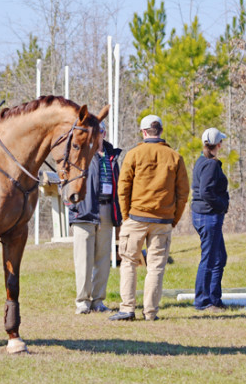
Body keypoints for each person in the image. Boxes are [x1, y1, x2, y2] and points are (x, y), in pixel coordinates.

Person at [109, 115, 189, 321]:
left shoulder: (134, 154)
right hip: (162, 221)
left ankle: (127, 308)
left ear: (144, 132)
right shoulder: (175, 157)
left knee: (128, 263)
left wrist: (126, 215)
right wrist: (173, 219)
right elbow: (183, 193)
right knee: (156, 267)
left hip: (136, 217)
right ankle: (150, 312)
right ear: (161, 131)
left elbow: (123, 187)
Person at [68, 122, 122, 315]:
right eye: (91, 131)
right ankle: (83, 301)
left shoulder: (111, 154)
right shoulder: (80, 153)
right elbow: (66, 179)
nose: (95, 135)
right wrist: (73, 205)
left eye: (98, 131)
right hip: (84, 210)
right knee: (83, 259)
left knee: (103, 259)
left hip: (107, 210)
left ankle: (98, 300)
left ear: (104, 133)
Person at [191, 128, 229, 312]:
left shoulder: (202, 161)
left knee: (219, 257)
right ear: (218, 144)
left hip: (203, 215)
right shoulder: (211, 164)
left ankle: (214, 298)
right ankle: (203, 300)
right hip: (208, 216)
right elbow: (206, 191)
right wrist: (221, 204)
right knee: (211, 259)